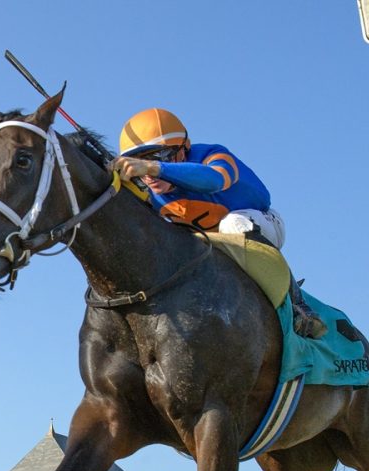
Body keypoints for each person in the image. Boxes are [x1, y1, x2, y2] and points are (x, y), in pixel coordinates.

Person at [114, 108, 327, 339]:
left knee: (232, 225)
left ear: (183, 149)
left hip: (261, 223)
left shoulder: (212, 155)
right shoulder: (147, 191)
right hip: (208, 246)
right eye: (140, 162)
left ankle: (299, 307)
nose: (149, 175)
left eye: (159, 156)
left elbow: (214, 180)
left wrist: (156, 168)